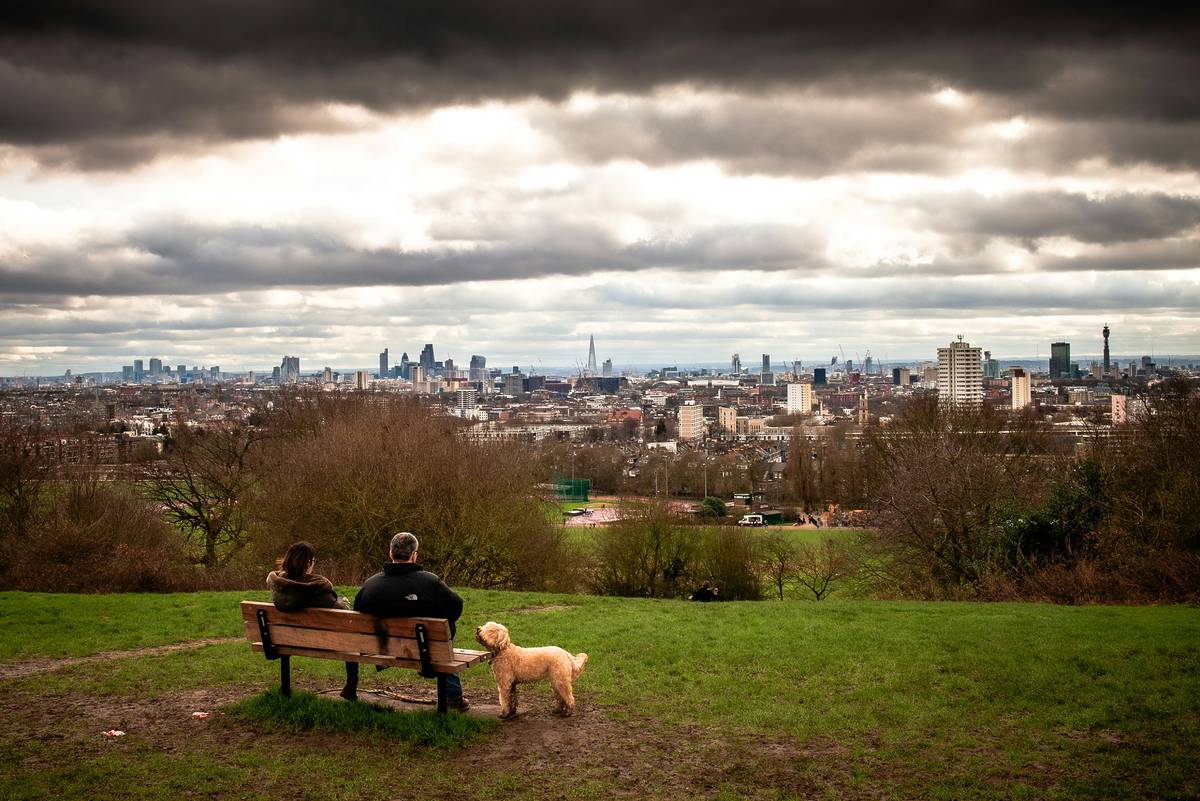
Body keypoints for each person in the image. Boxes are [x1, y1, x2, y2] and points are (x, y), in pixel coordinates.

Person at [344, 532, 468, 710]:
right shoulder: (430, 582)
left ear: (390, 553)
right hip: (425, 650)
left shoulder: (370, 585)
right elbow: (456, 608)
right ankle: (454, 695)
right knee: (445, 628)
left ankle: (350, 687)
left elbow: (357, 619)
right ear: (414, 555)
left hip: (382, 648)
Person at [266, 541, 350, 612]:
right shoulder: (319, 594)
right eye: (313, 560)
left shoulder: (278, 591)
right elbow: (345, 614)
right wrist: (343, 602)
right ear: (308, 563)